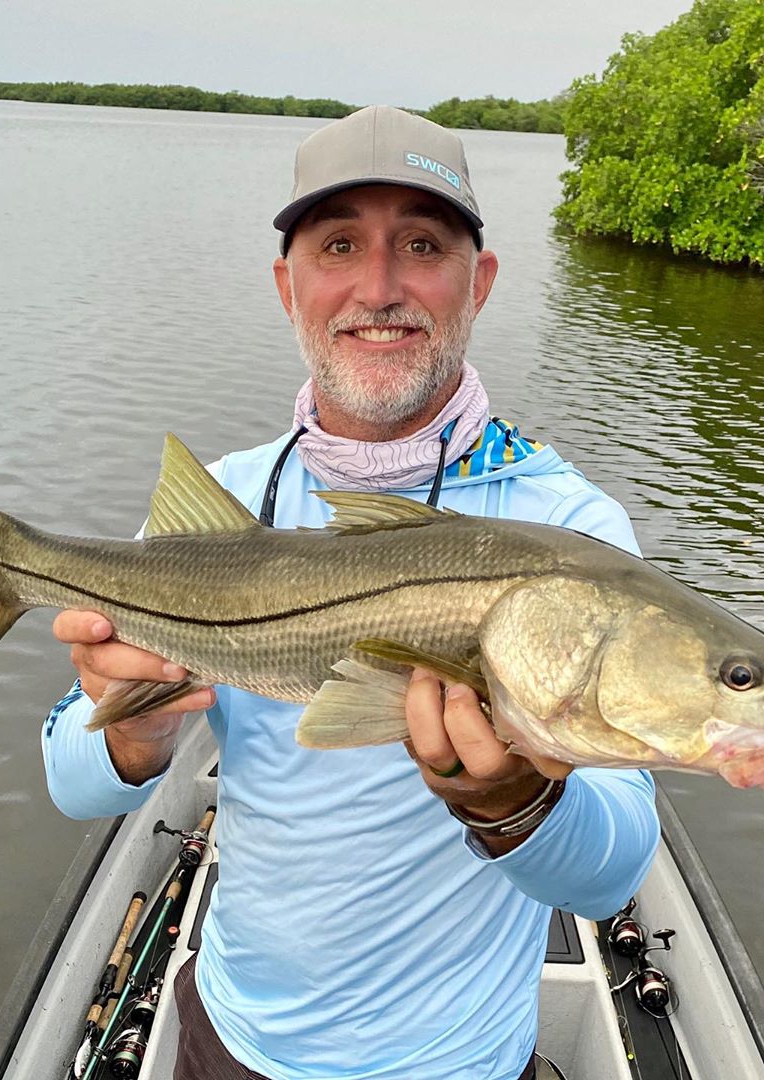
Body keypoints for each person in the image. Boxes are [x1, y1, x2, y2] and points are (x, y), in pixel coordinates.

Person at [43, 106, 660, 1080]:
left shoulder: (569, 532)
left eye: (422, 243)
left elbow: (612, 871)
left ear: (478, 282)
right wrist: (133, 730)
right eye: (340, 245)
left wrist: (515, 805)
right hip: (233, 1035)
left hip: (458, 1063)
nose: (380, 288)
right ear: (288, 286)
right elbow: (68, 783)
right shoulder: (229, 501)